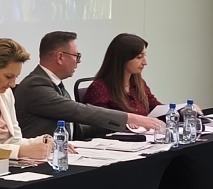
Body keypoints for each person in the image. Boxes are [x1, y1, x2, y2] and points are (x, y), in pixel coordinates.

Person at [15, 31, 164, 138]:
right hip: (42, 160)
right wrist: (131, 118)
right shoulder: (36, 85)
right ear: (60, 57)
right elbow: (77, 111)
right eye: (77, 56)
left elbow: (78, 128)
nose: (79, 61)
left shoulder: (54, 84)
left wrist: (125, 127)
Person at [82, 33, 162, 116]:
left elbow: (156, 108)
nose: (145, 62)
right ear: (123, 59)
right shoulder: (100, 88)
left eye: (144, 55)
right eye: (139, 57)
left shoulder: (139, 83)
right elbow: (99, 120)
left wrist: (170, 112)